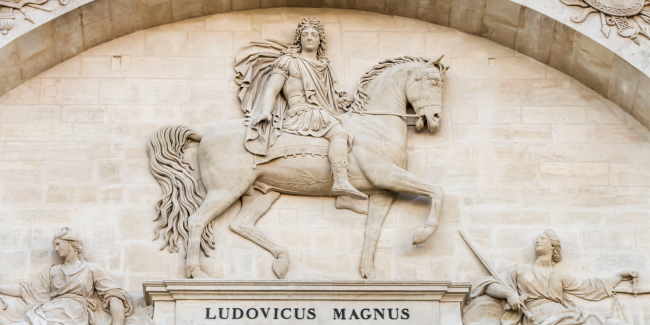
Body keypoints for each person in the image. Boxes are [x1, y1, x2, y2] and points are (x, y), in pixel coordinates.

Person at [236, 17, 367, 200]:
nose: (309, 37)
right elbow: (271, 90)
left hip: (321, 113)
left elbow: (326, 98)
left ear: (320, 40)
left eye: (314, 34)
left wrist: (341, 103)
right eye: (305, 34)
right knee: (340, 134)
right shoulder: (288, 61)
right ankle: (341, 182)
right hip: (300, 113)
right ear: (299, 39)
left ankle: (346, 200)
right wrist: (266, 111)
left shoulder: (324, 67)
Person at [469, 229, 637, 325]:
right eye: (537, 239)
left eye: (543, 238)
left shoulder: (560, 275)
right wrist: (509, 294)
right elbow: (489, 284)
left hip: (566, 315)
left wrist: (619, 276)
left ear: (553, 246)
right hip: (539, 318)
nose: (538, 240)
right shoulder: (520, 269)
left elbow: (591, 288)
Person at [0, 228, 133, 325]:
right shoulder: (53, 271)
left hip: (73, 314)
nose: (56, 249)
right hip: (48, 311)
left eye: (58, 244)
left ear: (69, 243)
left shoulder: (91, 269)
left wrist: (118, 321)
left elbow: (113, 294)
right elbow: (25, 290)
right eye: (54, 246)